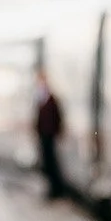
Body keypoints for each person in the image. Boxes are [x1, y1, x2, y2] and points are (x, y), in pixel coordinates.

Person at [34, 70, 66, 199]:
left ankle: (56, 190)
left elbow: (58, 117)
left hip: (50, 136)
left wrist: (58, 132)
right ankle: (53, 189)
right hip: (44, 136)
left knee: (51, 163)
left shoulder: (51, 99)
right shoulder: (42, 99)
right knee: (47, 163)